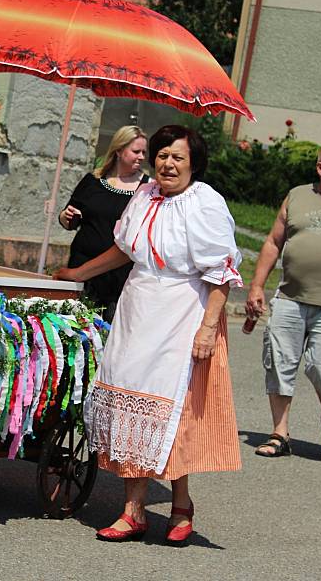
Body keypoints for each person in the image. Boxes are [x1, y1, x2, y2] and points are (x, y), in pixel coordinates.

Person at [55, 125, 242, 546]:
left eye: (177, 156)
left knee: (171, 409)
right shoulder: (144, 195)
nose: (167, 163)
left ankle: (181, 504)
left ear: (193, 162)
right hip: (138, 305)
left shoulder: (205, 202)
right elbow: (125, 249)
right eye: (161, 155)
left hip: (183, 309)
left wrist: (209, 328)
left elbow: (221, 273)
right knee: (129, 405)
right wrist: (78, 273)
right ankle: (133, 511)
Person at [246, 144, 321, 459]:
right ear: (320, 168)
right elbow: (274, 241)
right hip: (290, 297)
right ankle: (280, 433)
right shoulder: (297, 195)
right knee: (279, 363)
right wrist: (257, 286)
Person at [58, 125, 148, 323]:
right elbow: (69, 219)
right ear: (118, 150)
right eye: (136, 151)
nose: (141, 157)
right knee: (75, 329)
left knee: (107, 332)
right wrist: (66, 216)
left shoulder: (147, 188)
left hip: (118, 276)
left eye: (143, 152)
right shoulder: (93, 181)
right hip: (81, 268)